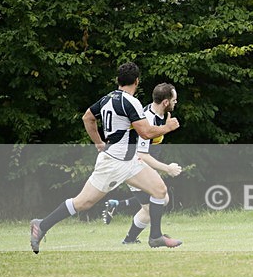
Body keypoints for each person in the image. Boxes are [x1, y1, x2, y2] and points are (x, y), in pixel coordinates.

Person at [29, 62, 182, 253]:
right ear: (137, 81)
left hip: (130, 162)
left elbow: (87, 117)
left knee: (159, 190)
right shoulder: (131, 102)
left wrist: (98, 142)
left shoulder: (107, 99)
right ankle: (41, 225)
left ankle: (155, 236)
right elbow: (145, 133)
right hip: (113, 163)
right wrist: (168, 127)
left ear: (118, 80)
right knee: (83, 203)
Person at [113, 82, 182, 244]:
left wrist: (166, 127)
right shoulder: (149, 119)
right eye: (174, 100)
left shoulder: (157, 114)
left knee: (161, 200)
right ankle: (151, 237)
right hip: (134, 166)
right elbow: (142, 154)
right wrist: (168, 169)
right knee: (153, 207)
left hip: (142, 167)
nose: (175, 103)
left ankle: (130, 236)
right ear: (165, 102)